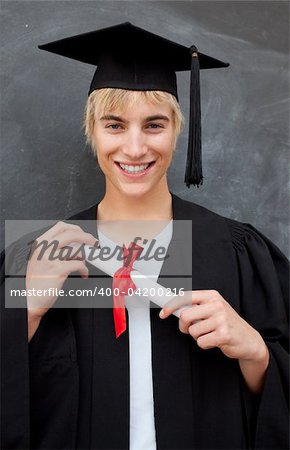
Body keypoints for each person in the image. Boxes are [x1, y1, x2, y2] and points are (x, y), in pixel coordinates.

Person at [1, 22, 289, 450]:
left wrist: (256, 353)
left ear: (177, 131)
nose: (134, 148)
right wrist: (23, 312)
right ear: (92, 131)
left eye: (154, 125)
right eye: (114, 125)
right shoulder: (39, 256)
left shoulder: (235, 252)